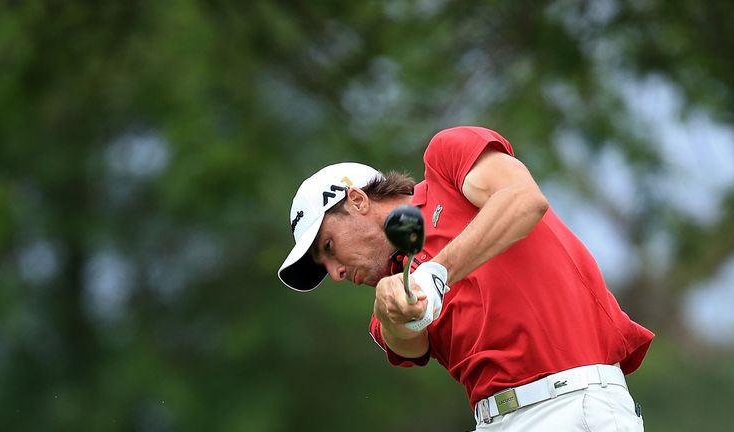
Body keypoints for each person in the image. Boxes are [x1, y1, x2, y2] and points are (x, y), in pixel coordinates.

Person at [278, 126, 653, 431]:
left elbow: (523, 200)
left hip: (574, 406)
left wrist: (436, 273)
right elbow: (407, 338)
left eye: (329, 246)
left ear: (358, 200)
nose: (336, 273)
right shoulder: (390, 298)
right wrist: (393, 308)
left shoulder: (447, 164)